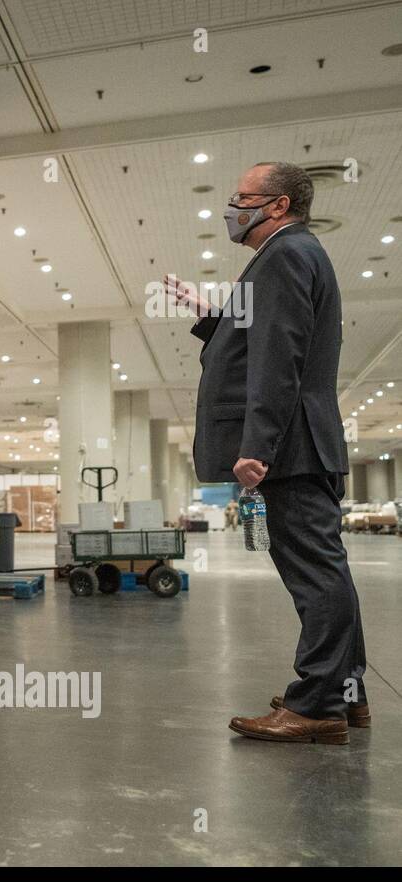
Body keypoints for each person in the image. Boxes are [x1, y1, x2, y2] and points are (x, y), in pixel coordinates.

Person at [169, 160, 364, 744]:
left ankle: (319, 703)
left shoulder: (283, 255)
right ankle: (345, 692)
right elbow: (259, 336)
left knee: (314, 575)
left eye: (242, 196)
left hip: (293, 448)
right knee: (325, 571)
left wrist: (258, 445)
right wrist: (211, 317)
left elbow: (279, 358)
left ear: (277, 206)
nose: (232, 206)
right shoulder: (292, 254)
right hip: (305, 442)